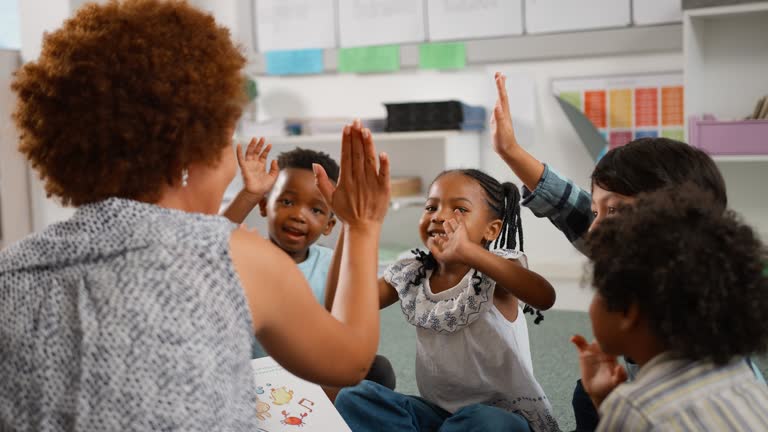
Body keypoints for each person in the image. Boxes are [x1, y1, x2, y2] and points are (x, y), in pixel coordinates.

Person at [0, 1, 389, 430]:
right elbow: (350, 360)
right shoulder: (230, 257)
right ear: (189, 151)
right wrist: (363, 224)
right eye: (228, 138)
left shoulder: (10, 271)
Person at [488, 71, 756, 430]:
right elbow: (571, 207)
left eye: (612, 211)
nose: (594, 228)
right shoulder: (695, 270)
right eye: (597, 212)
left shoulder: (642, 404)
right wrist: (510, 151)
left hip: (653, 404)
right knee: (586, 396)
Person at [326, 168, 559, 431]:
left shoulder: (497, 270)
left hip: (503, 418)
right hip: (440, 418)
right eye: (430, 207)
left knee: (483, 421)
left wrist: (469, 252)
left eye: (459, 209)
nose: (439, 216)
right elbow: (339, 305)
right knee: (355, 397)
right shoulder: (412, 273)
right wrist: (350, 224)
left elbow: (544, 297)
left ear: (492, 230)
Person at [572, 186, 768, 431]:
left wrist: (608, 404)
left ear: (629, 311)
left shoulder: (635, 406)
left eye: (599, 289)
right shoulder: (741, 375)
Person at [222, 140, 396, 389]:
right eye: (288, 202)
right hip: (258, 383)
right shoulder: (249, 255)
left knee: (378, 369)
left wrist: (357, 222)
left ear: (329, 225)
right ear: (264, 205)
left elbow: (354, 323)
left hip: (317, 376)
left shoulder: (330, 265)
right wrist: (249, 193)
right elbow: (206, 247)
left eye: (315, 210)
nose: (299, 215)